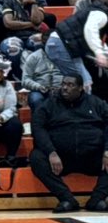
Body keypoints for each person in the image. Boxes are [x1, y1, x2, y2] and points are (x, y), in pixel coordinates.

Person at [30, 74, 108, 213]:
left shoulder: (96, 103)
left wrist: (107, 150)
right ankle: (67, 199)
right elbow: (37, 127)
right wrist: (51, 152)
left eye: (70, 85)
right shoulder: (49, 104)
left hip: (93, 158)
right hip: (61, 159)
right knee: (36, 157)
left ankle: (97, 200)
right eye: (64, 84)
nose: (65, 88)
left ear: (80, 88)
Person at [45, 0, 108, 89]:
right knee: (83, 84)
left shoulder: (96, 7)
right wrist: (99, 53)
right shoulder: (101, 13)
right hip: (62, 45)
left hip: (68, 47)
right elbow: (90, 29)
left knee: (86, 82)